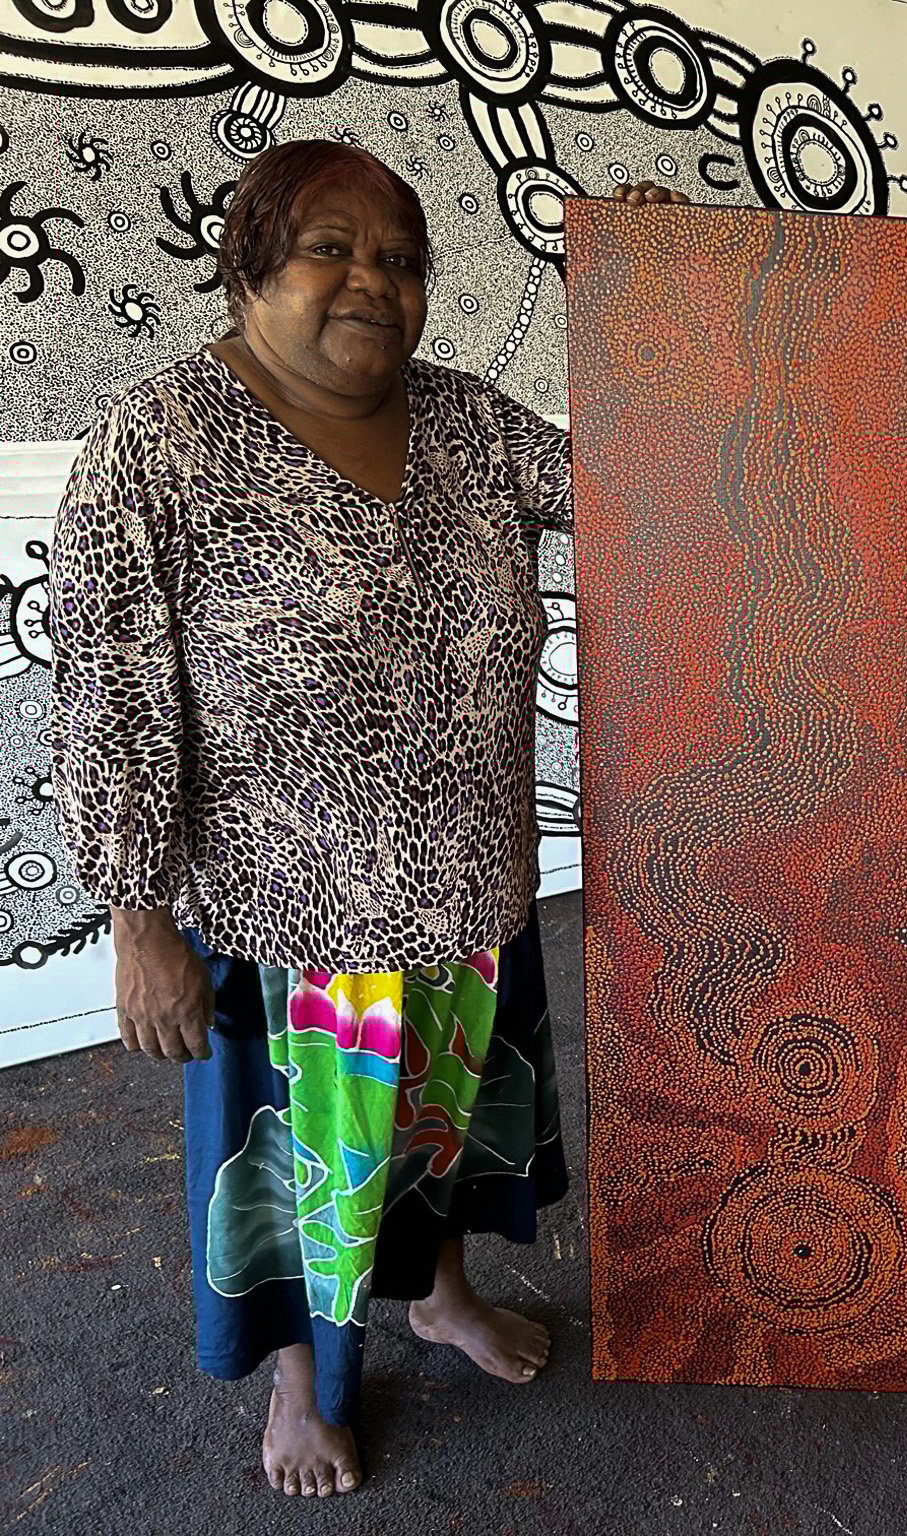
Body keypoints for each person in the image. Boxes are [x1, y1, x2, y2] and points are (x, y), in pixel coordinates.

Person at [46, 139, 678, 1496]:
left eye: (400, 259)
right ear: (250, 265)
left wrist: (657, 296)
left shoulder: (466, 423)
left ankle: (441, 1295)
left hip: (469, 886)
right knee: (305, 1176)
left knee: (445, 1129)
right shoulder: (161, 440)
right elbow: (108, 690)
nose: (372, 281)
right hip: (291, 921)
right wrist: (138, 922)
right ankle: (304, 1386)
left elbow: (632, 487)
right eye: (329, 248)